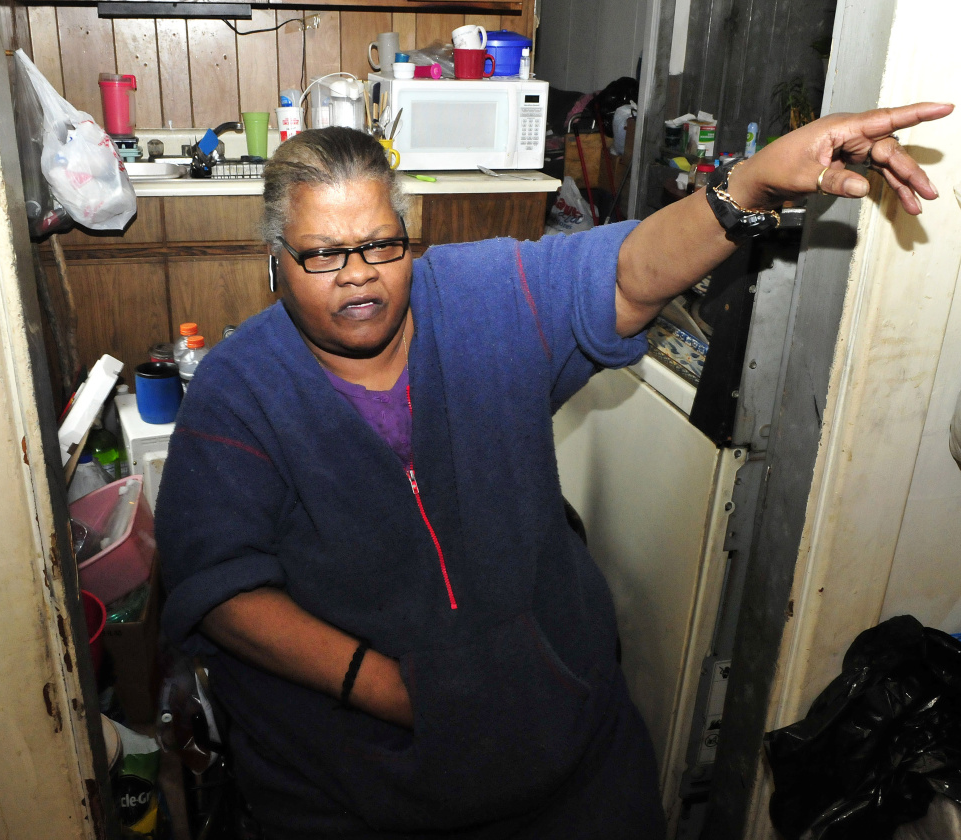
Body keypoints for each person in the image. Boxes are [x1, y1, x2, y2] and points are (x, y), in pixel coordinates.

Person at [155, 102, 953, 839]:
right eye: (324, 253)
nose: (359, 272)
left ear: (407, 237)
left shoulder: (480, 296)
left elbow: (625, 272)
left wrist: (744, 187)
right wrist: (389, 688)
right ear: (275, 262)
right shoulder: (239, 389)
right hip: (353, 774)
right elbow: (221, 589)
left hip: (561, 743)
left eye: (380, 244)